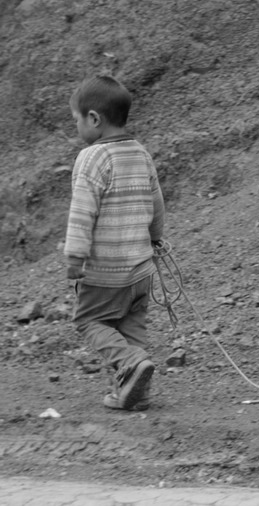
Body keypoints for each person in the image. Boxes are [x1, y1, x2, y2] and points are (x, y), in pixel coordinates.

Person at [65, 75, 165, 411]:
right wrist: (155, 239)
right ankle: (136, 391)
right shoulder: (141, 153)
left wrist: (75, 258)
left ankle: (131, 366)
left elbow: (82, 212)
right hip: (140, 269)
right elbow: (156, 203)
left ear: (94, 119)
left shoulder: (91, 158)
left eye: (76, 120)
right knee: (131, 327)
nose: (77, 127)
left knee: (89, 321)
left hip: (105, 272)